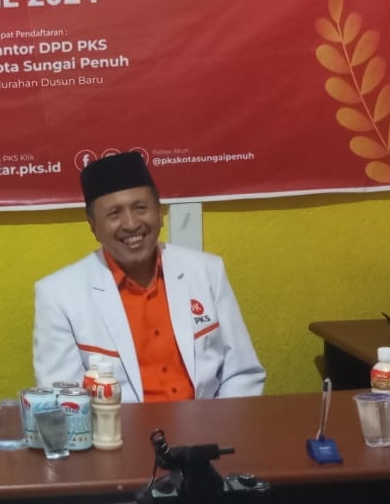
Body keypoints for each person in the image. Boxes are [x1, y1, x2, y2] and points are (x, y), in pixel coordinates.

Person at [33, 151, 264, 401]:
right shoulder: (59, 294)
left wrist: (218, 423)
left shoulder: (207, 271)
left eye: (140, 208)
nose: (131, 224)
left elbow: (241, 374)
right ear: (93, 227)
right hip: (117, 426)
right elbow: (65, 399)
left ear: (159, 212)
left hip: (208, 421)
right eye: (114, 214)